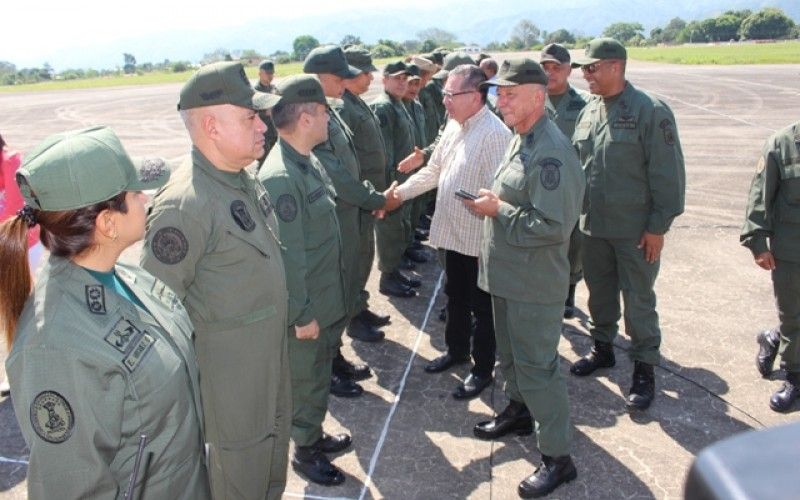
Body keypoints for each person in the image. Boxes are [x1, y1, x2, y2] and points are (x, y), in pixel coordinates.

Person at [1, 126, 209, 499]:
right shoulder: (55, 347)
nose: (146, 197)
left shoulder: (125, 276)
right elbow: (71, 487)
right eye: (134, 193)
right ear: (107, 223)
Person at [141, 61, 291, 499]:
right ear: (211, 125)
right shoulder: (185, 206)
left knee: (267, 478)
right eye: (250, 117)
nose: (263, 126)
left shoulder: (240, 179)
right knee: (236, 484)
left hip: (266, 368)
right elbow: (157, 316)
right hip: (228, 392)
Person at [466, 58, 584, 498]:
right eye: (499, 92)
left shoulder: (550, 150)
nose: (501, 100)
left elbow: (555, 226)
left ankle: (558, 458)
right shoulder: (522, 138)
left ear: (538, 96)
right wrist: (497, 202)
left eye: (509, 93)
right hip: (508, 277)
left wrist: (500, 210)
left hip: (534, 284)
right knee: (512, 359)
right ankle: (517, 411)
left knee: (539, 369)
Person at [569, 38, 685, 411]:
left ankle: (644, 367)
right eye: (584, 69)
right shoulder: (589, 110)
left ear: (615, 66)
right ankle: (602, 348)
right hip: (594, 226)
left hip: (635, 231)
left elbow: (668, 176)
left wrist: (657, 228)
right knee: (599, 293)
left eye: (592, 67)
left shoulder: (650, 110)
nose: (585, 74)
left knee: (639, 300)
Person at [395, 64, 511, 399]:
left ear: (476, 97)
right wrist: (399, 195)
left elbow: (499, 194)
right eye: (444, 93)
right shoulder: (454, 125)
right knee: (455, 297)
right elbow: (434, 170)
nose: (444, 100)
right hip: (450, 235)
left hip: (478, 240)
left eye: (451, 94)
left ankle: (482, 369)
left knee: (482, 308)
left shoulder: (495, 135)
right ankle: (456, 350)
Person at [258, 74, 351, 486]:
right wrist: (302, 314)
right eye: (325, 112)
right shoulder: (280, 176)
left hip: (325, 297)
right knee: (307, 378)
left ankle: (313, 432)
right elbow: (286, 256)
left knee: (318, 376)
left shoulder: (305, 159)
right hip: (307, 307)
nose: (330, 119)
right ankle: (305, 450)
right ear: (308, 116)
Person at [302, 45, 401, 397]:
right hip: (333, 221)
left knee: (342, 292)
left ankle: (335, 356)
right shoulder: (310, 119)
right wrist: (375, 199)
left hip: (347, 216)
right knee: (329, 298)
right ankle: (326, 368)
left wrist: (370, 195)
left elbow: (349, 165)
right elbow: (337, 176)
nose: (345, 80)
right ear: (319, 78)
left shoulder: (332, 109)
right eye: (338, 75)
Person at [741, 120, 800, 413]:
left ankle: (773, 338)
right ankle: (795, 379)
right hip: (792, 249)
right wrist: (757, 242)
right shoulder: (781, 144)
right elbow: (759, 196)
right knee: (794, 314)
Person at [340, 46, 394, 329]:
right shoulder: (343, 106)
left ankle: (360, 306)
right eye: (365, 73)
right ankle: (353, 316)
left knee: (365, 254)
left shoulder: (355, 101)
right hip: (356, 198)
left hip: (367, 195)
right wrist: (368, 195)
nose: (370, 78)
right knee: (355, 258)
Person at [539, 43, 590, 319]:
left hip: (573, 188)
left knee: (574, 243)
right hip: (540, 186)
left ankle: (568, 292)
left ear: (569, 69)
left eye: (556, 67)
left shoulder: (585, 104)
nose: (551, 73)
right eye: (545, 68)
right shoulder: (533, 99)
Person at [371, 61, 420, 297]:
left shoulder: (399, 104)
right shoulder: (383, 107)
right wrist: (391, 185)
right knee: (390, 230)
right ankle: (387, 277)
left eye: (405, 78)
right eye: (397, 78)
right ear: (385, 80)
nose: (402, 83)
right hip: (393, 181)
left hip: (403, 179)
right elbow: (385, 151)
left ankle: (393, 271)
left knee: (400, 227)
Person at [254, 59, 279, 164]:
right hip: (263, 134)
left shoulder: (273, 88)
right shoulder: (255, 91)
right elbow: (252, 113)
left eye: (272, 73)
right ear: (260, 73)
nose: (270, 76)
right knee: (264, 161)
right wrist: (267, 112)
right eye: (268, 73)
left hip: (275, 131)